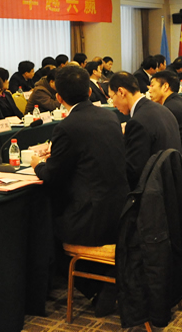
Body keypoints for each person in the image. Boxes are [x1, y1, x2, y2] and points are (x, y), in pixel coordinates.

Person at [30, 66, 129, 316]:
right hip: (120, 209)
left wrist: (37, 164)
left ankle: (99, 288)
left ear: (59, 97)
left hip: (90, 216)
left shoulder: (67, 127)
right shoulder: (109, 116)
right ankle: (107, 277)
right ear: (89, 91)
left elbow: (52, 176)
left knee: (45, 232)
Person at [108, 71, 182, 190]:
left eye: (112, 98)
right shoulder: (162, 109)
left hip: (155, 192)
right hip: (174, 184)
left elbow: (133, 173)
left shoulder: (137, 122)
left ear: (121, 92)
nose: (114, 105)